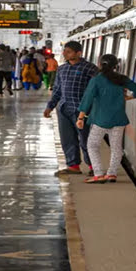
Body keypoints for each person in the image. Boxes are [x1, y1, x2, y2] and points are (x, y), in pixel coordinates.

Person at [77, 54, 136, 183]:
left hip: (100, 120)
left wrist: (80, 118)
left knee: (92, 145)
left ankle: (98, 173)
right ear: (116, 66)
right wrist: (129, 97)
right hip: (118, 119)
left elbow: (87, 99)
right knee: (116, 147)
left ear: (100, 64)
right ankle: (112, 173)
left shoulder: (96, 80)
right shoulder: (121, 79)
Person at [44, 41, 99, 175]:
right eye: (64, 51)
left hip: (83, 110)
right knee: (67, 139)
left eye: (68, 51)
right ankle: (73, 166)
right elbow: (57, 90)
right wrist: (50, 106)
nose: (64, 54)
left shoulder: (90, 68)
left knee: (85, 139)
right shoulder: (62, 69)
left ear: (78, 53)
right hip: (64, 108)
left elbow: (98, 88)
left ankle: (93, 167)